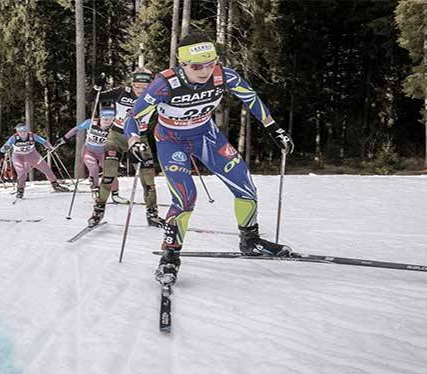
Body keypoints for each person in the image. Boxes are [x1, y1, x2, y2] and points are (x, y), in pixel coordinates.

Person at [123, 33, 295, 286]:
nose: (204, 71)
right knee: (185, 197)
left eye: (210, 63)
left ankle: (250, 240)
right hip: (171, 140)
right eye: (196, 66)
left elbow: (251, 97)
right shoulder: (164, 84)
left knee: (245, 185)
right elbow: (134, 117)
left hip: (206, 136)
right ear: (182, 64)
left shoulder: (224, 75)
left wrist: (273, 128)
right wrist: (134, 141)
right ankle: (170, 255)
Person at [87, 67, 165, 228]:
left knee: (148, 180)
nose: (141, 91)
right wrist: (96, 86)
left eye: (145, 88)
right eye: (138, 87)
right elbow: (92, 99)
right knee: (109, 175)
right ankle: (98, 211)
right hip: (116, 136)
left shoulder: (155, 95)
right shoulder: (122, 91)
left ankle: (152, 214)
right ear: (132, 83)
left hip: (140, 138)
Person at [56, 108, 118, 198]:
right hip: (89, 151)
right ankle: (95, 188)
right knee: (94, 168)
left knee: (110, 171)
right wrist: (65, 138)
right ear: (100, 117)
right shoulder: (91, 122)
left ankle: (115, 194)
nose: (108, 122)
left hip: (103, 153)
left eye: (112, 119)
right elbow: (76, 129)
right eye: (105, 119)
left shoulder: (114, 127)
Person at [0, 123, 70, 199]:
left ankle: (56, 185)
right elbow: (2, 149)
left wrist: (49, 147)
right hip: (18, 156)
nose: (22, 132)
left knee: (46, 169)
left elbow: (44, 141)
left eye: (24, 129)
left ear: (27, 129)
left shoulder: (32, 136)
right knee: (22, 173)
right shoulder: (14, 138)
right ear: (17, 131)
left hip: (32, 155)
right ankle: (20, 190)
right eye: (20, 130)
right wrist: (6, 148)